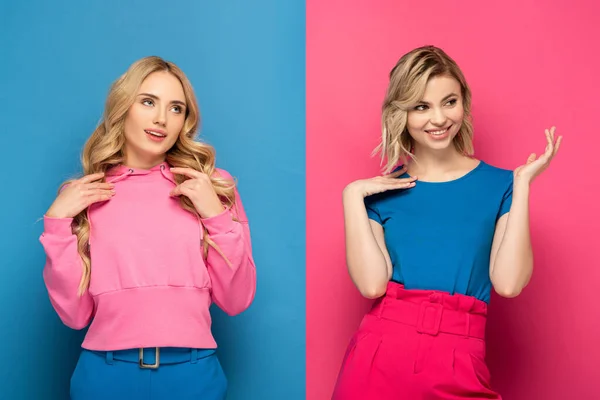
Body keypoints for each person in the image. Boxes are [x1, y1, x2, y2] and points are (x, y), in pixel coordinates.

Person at [332, 45, 562, 399]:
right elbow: (372, 286)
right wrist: (351, 195)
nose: (438, 119)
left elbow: (509, 283)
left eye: (449, 102)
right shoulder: (379, 193)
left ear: (464, 103)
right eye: (421, 107)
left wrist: (522, 186)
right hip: (379, 358)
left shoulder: (502, 186)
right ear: (401, 114)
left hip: (461, 355)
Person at [39, 56, 256, 400]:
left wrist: (215, 216)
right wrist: (56, 226)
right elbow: (75, 315)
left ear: (186, 120)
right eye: (148, 102)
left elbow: (236, 299)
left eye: (176, 109)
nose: (161, 119)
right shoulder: (84, 194)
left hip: (193, 375)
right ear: (124, 106)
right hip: (104, 377)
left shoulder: (211, 186)